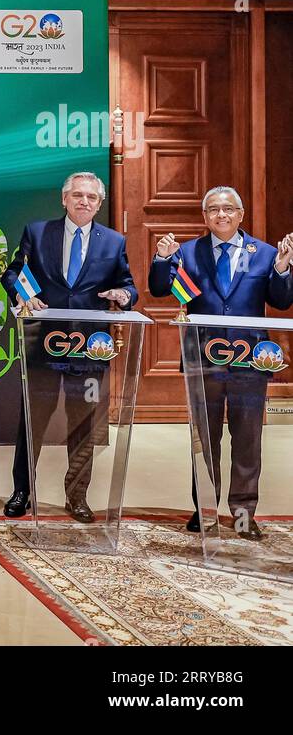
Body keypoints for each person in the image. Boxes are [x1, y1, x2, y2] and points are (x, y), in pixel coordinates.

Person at [147, 186, 293, 539]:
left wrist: (283, 268)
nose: (221, 215)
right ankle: (205, 509)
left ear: (241, 215)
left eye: (229, 209)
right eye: (213, 209)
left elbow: (281, 301)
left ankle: (244, 513)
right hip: (203, 359)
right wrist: (163, 259)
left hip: (249, 361)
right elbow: (158, 289)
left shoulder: (266, 253)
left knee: (247, 439)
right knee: (204, 438)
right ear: (205, 216)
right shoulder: (188, 252)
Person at [0, 171, 137, 522]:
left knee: (84, 426)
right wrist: (22, 291)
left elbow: (128, 285)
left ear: (99, 203)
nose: (84, 202)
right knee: (32, 424)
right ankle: (22, 492)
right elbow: (12, 273)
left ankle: (77, 496)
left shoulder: (113, 241)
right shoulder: (37, 231)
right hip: (43, 344)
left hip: (90, 350)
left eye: (91, 198)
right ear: (64, 199)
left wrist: (122, 296)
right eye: (77, 195)